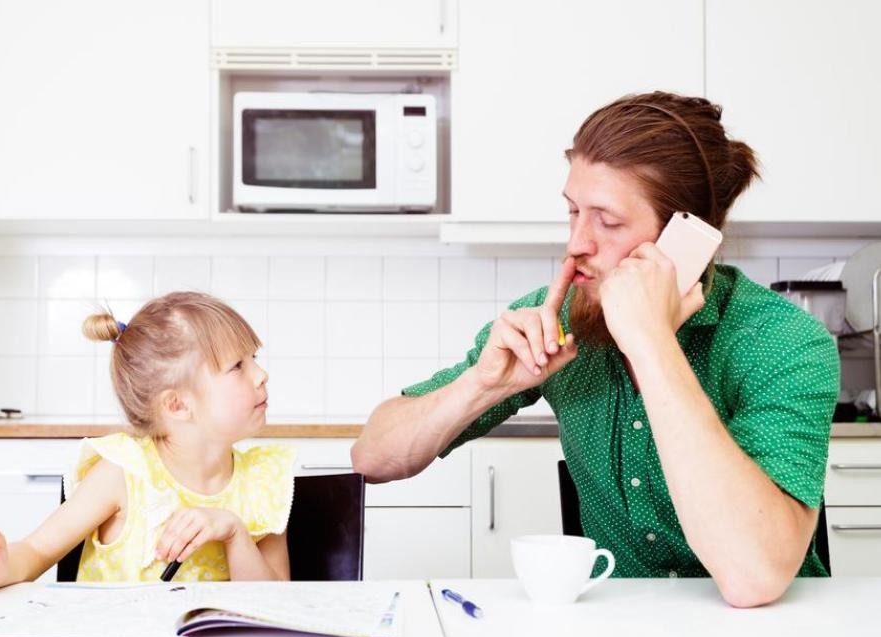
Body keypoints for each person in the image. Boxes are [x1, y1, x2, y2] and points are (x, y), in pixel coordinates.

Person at [352, 92, 840, 608]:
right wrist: (483, 385)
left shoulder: (785, 343)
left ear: (686, 239)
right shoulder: (558, 318)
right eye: (572, 212)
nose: (577, 243)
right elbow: (372, 458)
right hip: (618, 627)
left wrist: (651, 340)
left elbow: (754, 578)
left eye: (607, 221)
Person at [0, 292, 292, 591]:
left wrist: (234, 533)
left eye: (254, 359)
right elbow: (35, 553)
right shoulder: (123, 472)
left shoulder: (263, 481)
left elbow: (275, 602)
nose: (262, 375)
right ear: (177, 404)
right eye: (237, 366)